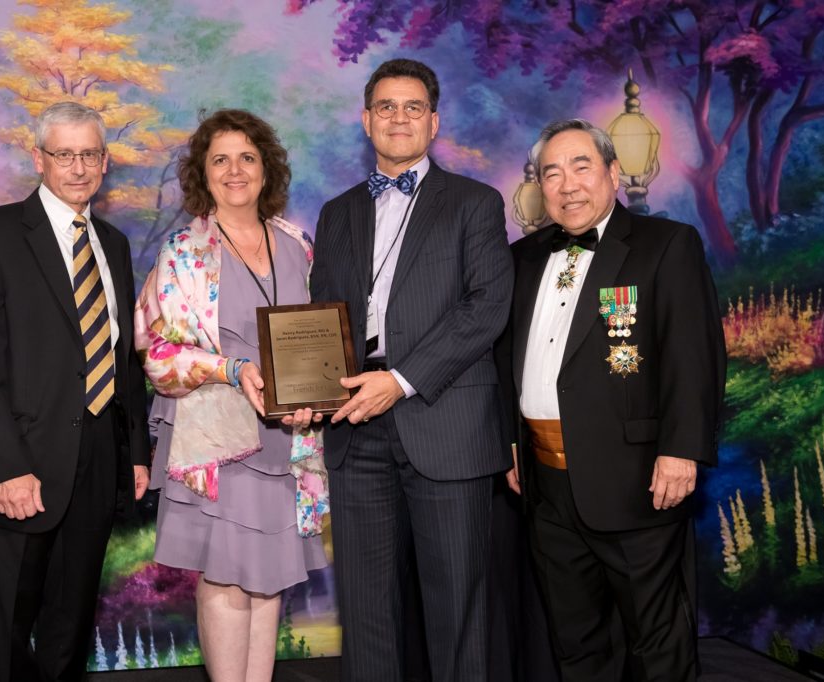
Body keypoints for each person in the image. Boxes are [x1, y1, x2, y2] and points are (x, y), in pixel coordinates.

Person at [309, 58, 514, 681]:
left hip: (443, 421)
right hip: (354, 428)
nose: (399, 117)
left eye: (413, 107)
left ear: (434, 122)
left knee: (458, 609)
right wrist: (309, 389)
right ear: (366, 120)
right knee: (368, 611)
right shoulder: (337, 211)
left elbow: (487, 309)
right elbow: (324, 319)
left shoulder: (476, 203)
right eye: (387, 107)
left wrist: (398, 381)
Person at [500, 118, 725, 681]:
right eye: (552, 172)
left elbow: (692, 355)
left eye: (582, 166)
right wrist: (510, 443)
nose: (567, 184)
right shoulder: (523, 258)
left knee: (655, 642)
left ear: (613, 172)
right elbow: (507, 363)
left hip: (636, 480)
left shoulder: (665, 244)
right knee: (575, 641)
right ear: (539, 185)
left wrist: (682, 451)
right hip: (545, 486)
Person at [0, 101, 150, 680]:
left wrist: (134, 451)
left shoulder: (111, 243)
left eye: (90, 153)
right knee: (6, 629)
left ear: (106, 161)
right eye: (64, 154)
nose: (79, 167)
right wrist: (5, 467)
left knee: (70, 627)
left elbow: (122, 354)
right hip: (23, 465)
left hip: (95, 463)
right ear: (39, 158)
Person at [135, 109, 329, 682]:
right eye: (220, 159)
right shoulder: (183, 252)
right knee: (224, 576)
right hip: (217, 438)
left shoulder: (299, 244)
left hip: (285, 437)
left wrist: (319, 390)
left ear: (267, 168)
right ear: (203, 173)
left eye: (247, 156)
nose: (235, 170)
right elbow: (157, 354)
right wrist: (231, 367)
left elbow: (318, 335)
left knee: (270, 574)